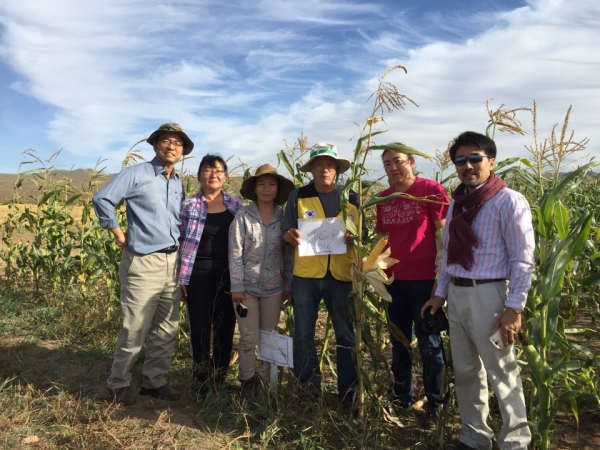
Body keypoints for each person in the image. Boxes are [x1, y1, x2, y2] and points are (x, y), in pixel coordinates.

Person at [422, 131, 534, 450]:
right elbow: (447, 258)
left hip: (490, 296)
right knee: (467, 370)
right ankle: (474, 437)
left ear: (491, 161)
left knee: (502, 371)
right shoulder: (456, 206)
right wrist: (439, 294)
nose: (467, 165)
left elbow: (522, 258)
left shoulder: (508, 201)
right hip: (457, 296)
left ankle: (516, 441)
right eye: (460, 160)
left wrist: (514, 307)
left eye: (475, 158)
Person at [92, 122, 194, 406]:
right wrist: (118, 232)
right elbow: (102, 199)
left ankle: (154, 381)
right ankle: (118, 383)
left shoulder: (177, 182)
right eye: (166, 140)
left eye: (177, 143)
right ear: (155, 144)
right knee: (135, 326)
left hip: (172, 262)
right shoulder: (135, 173)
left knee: (166, 328)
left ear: (183, 150)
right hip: (143, 262)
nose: (171, 146)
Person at [375, 144, 449, 419]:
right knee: (399, 342)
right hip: (393, 281)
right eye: (387, 164)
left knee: (430, 344)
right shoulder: (382, 198)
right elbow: (381, 242)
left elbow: (445, 239)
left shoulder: (431, 190)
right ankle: (402, 398)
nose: (393, 168)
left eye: (397, 161)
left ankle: (435, 404)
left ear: (412, 161)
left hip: (424, 282)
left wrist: (440, 282)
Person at [282, 143, 359, 404]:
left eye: (329, 164)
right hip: (306, 276)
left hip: (342, 276)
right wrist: (289, 235)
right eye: (318, 164)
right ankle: (308, 389)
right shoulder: (298, 196)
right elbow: (286, 229)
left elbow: (364, 234)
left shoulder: (351, 196)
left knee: (346, 335)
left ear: (337, 169)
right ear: (311, 169)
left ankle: (349, 394)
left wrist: (354, 236)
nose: (324, 169)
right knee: (303, 334)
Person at [228, 164, 295, 397]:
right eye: (262, 184)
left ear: (277, 188)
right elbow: (235, 253)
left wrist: (288, 286)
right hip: (245, 292)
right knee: (248, 337)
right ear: (254, 188)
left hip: (273, 291)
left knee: (268, 336)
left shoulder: (285, 218)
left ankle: (266, 382)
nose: (267, 188)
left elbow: (289, 255)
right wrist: (236, 286)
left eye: (272, 183)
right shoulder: (243, 216)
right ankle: (247, 381)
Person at [178, 154, 243, 391]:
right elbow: (179, 241)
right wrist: (181, 278)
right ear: (199, 176)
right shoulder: (188, 206)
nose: (213, 174)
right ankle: (201, 377)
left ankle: (219, 376)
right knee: (200, 327)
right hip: (198, 275)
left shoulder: (236, 205)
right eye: (207, 170)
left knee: (226, 327)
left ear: (225, 176)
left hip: (230, 275)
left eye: (218, 170)